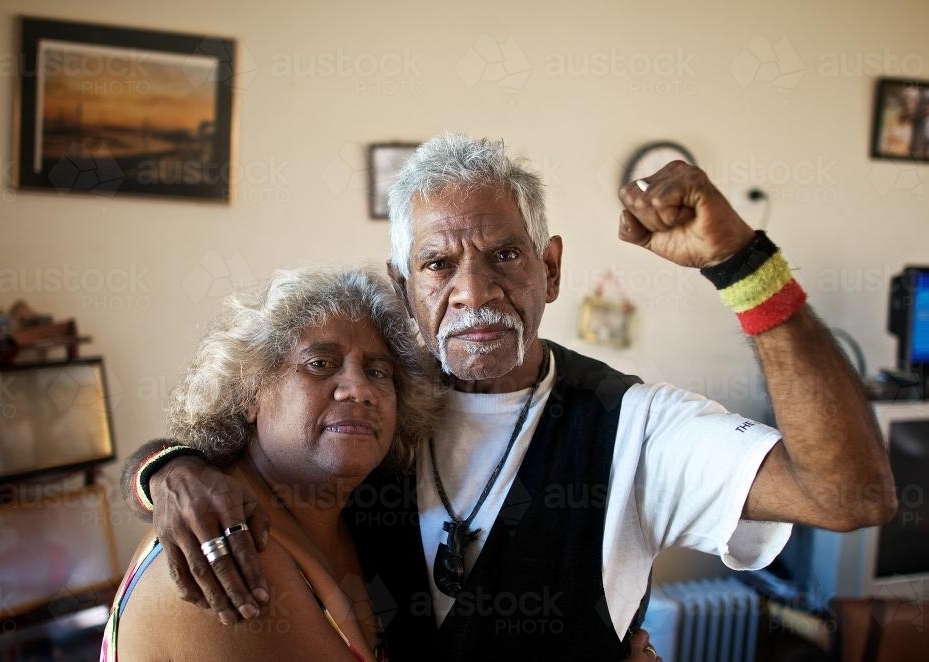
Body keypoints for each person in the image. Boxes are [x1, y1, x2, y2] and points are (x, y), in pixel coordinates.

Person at [119, 135, 896, 660]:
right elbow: (235, 432)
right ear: (404, 285)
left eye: (504, 255)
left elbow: (851, 492)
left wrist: (741, 264)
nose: (474, 291)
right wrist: (171, 466)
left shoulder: (637, 430)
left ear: (550, 270)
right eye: (437, 264)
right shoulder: (372, 413)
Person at [103, 267, 443, 660]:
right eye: (320, 363)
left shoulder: (368, 511)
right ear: (250, 393)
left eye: (377, 371)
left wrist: (161, 465)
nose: (359, 389)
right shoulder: (226, 548)